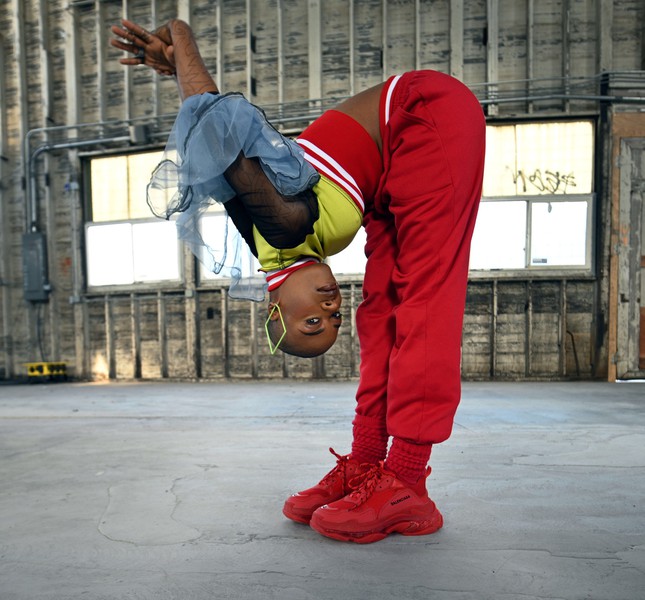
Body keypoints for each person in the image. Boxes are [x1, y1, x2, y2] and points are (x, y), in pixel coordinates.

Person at [111, 18, 485, 543]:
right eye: (332, 320)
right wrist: (177, 67)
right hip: (386, 172)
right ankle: (365, 463)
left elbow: (216, 127)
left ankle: (406, 483)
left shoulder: (280, 226)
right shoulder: (281, 242)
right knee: (380, 314)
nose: (331, 308)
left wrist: (181, 38)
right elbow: (219, 136)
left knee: (425, 300)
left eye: (313, 320)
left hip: (421, 113)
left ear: (275, 307)